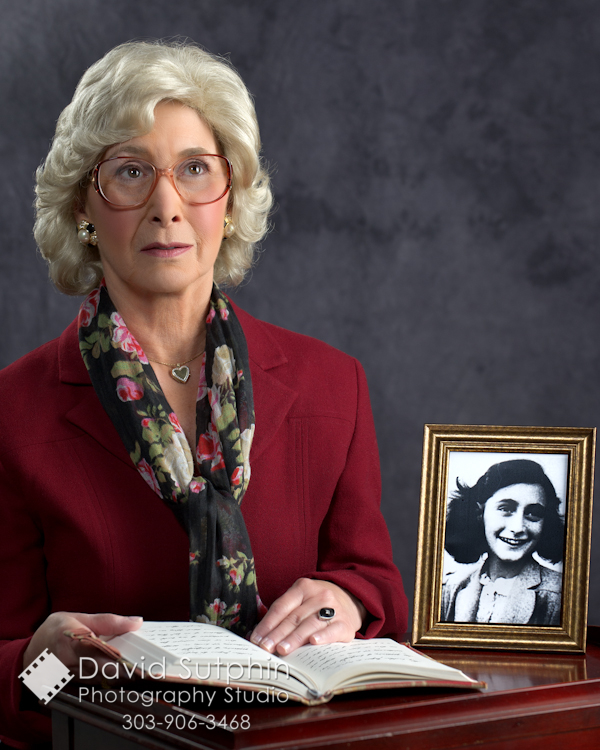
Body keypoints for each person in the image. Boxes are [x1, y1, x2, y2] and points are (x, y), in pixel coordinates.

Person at [0, 40, 407, 746]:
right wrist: (44, 668)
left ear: (231, 198)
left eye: (195, 170)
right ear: (84, 209)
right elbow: (10, 675)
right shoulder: (12, 413)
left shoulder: (331, 385)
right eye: (130, 172)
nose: (167, 205)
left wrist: (344, 600)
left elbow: (374, 585)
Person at [441, 459, 564, 625]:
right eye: (506, 509)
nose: (518, 527)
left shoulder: (559, 595)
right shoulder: (450, 588)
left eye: (533, 513)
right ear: (479, 513)